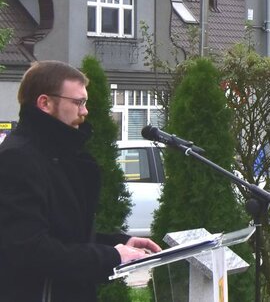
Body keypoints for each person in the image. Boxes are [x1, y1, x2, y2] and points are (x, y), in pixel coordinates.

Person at [0, 60, 161, 302]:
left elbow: (67, 238)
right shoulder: (18, 158)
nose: (84, 112)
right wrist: (112, 257)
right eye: (78, 102)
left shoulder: (59, 155)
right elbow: (29, 248)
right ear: (45, 103)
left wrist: (119, 243)